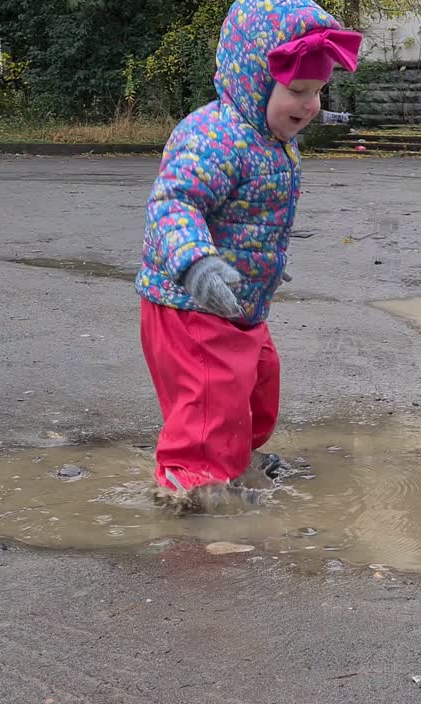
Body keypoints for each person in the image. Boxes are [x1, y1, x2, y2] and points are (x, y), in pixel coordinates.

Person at [134, 0, 361, 513]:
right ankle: (191, 493)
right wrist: (196, 263)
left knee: (259, 385)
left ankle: (233, 458)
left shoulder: (272, 138)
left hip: (240, 304)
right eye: (298, 91)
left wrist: (265, 261)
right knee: (211, 399)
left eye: (318, 91)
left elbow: (254, 215)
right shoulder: (213, 136)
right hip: (190, 303)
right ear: (255, 81)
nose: (310, 105)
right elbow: (174, 203)